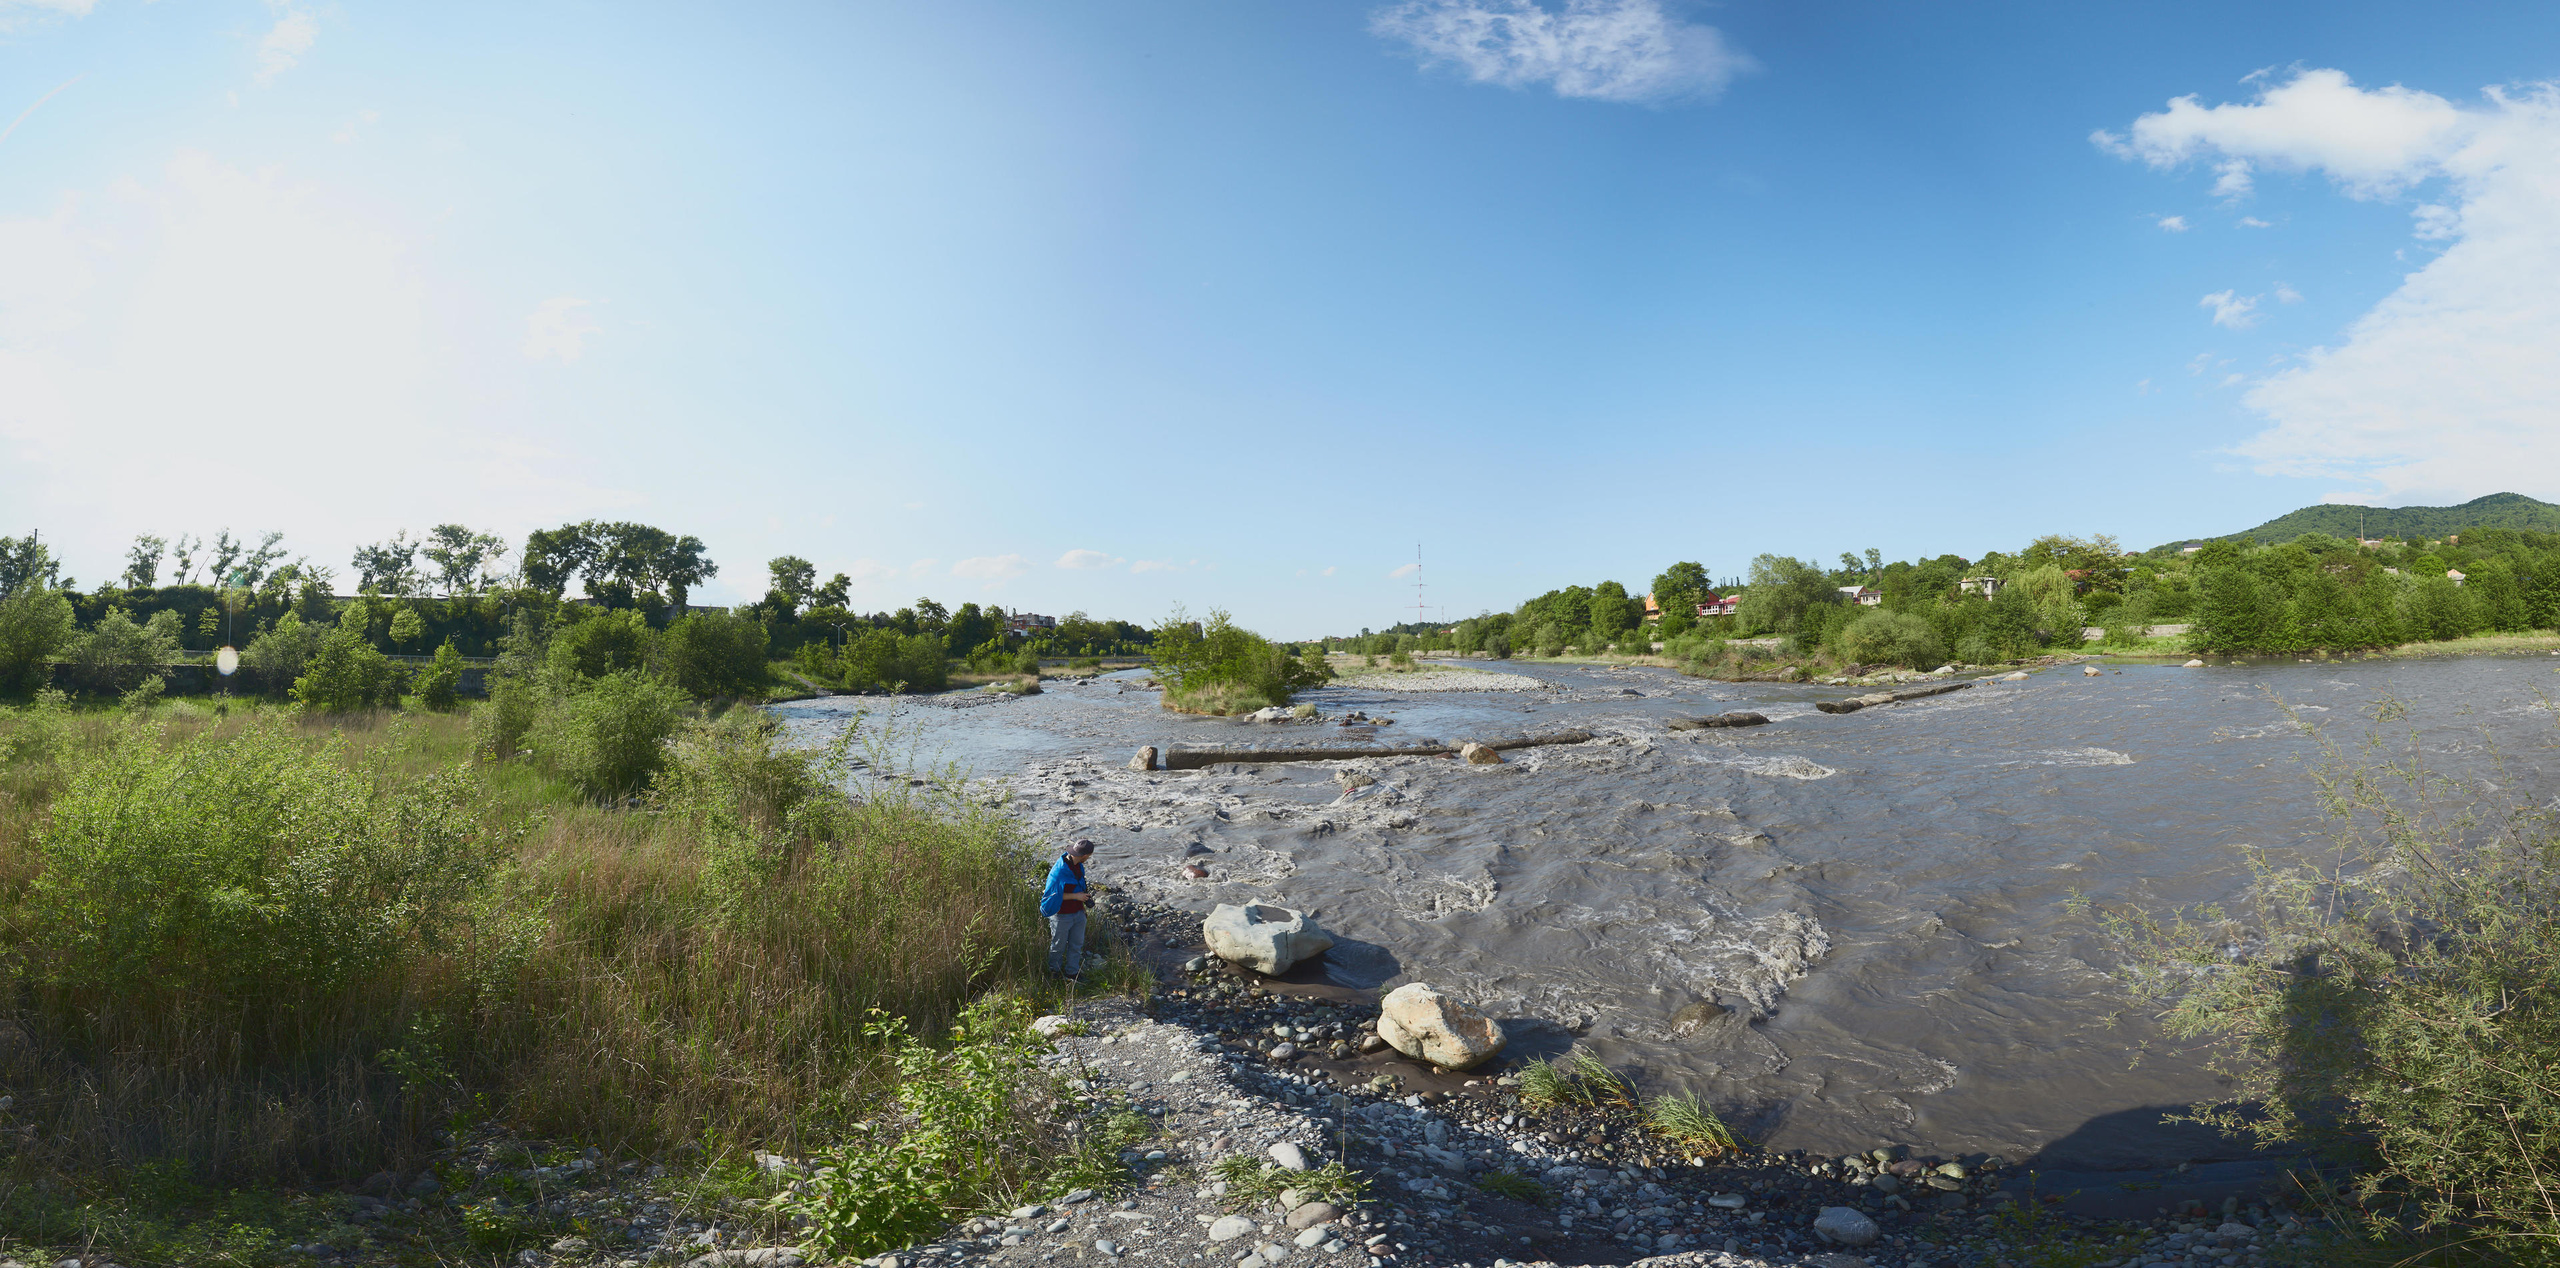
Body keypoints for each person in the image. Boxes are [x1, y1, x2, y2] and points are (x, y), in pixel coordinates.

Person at [1040, 839, 1097, 980]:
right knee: (1058, 946)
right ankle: (1055, 973)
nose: (1088, 858)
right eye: (1088, 856)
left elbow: (1079, 886)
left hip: (1078, 913)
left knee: (1076, 945)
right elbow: (1050, 896)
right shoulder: (1059, 871)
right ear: (1085, 855)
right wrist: (1076, 896)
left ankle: (1072, 972)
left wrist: (1082, 906)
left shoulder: (1079, 866)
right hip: (1061, 915)